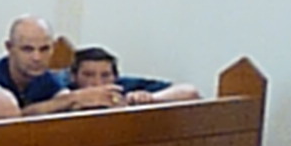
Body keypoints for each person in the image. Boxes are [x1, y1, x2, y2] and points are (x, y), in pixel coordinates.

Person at [0, 17, 122, 114]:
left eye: (44, 49)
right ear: (9, 47)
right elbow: (14, 117)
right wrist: (70, 99)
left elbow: (67, 102)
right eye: (27, 49)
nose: (37, 57)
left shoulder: (49, 79)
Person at [70, 47, 201, 105]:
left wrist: (151, 98)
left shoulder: (123, 87)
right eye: (88, 75)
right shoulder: (64, 88)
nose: (97, 82)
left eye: (105, 75)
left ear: (115, 77)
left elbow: (189, 92)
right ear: (73, 76)